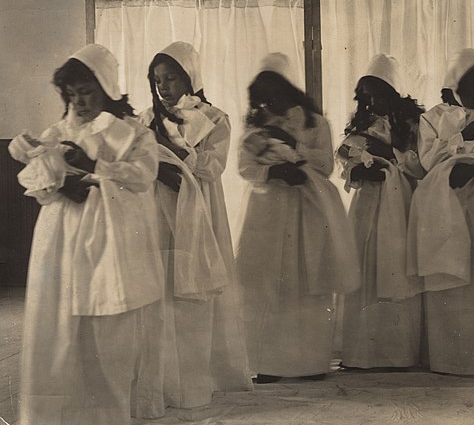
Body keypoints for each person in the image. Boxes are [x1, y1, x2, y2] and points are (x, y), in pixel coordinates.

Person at [9, 44, 163, 425]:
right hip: (61, 238)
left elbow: (144, 177)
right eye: (71, 94)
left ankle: (106, 416)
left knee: (107, 330)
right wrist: (61, 186)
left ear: (107, 89)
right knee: (58, 327)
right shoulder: (58, 131)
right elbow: (36, 183)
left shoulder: (132, 133)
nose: (78, 102)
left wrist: (95, 165)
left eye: (87, 92)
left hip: (110, 238)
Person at [134, 41, 251, 412]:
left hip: (198, 208)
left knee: (192, 291)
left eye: (171, 78)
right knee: (158, 288)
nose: (164, 87)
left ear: (190, 77)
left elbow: (212, 168)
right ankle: (160, 380)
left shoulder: (215, 118)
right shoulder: (143, 118)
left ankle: (199, 379)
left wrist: (175, 150)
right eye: (158, 80)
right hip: (153, 209)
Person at [235, 53, 360, 383]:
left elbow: (326, 165)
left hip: (308, 207)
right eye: (263, 97)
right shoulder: (257, 126)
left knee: (308, 280)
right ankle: (269, 363)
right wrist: (273, 169)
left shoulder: (315, 122)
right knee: (268, 283)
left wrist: (296, 152)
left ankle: (309, 361)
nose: (269, 102)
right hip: (269, 210)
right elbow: (245, 167)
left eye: (274, 94)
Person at [407, 48, 474, 375]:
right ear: (456, 83)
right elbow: (426, 161)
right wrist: (460, 139)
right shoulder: (434, 117)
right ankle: (449, 357)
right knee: (449, 274)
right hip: (445, 203)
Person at [337, 54, 426, 369]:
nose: (372, 102)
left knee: (396, 265)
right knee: (367, 265)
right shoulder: (361, 124)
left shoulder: (413, 123)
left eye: (378, 94)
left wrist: (390, 155)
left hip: (400, 203)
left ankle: (398, 351)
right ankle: (363, 351)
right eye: (367, 96)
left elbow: (420, 165)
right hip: (370, 202)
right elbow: (347, 162)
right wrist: (358, 171)